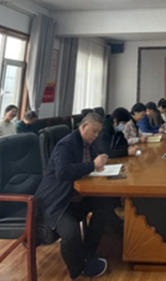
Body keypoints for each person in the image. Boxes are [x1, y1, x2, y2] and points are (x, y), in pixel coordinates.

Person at [35, 113, 112, 279]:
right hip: (55, 201)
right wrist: (92, 165)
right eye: (94, 131)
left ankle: (88, 252)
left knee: (105, 204)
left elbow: (96, 157)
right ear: (83, 127)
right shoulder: (66, 144)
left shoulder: (88, 142)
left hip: (74, 196)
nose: (96, 136)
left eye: (98, 132)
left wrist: (100, 161)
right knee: (71, 233)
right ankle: (79, 269)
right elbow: (63, 173)